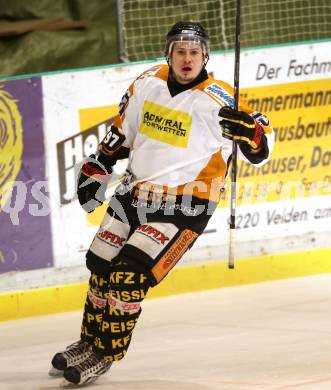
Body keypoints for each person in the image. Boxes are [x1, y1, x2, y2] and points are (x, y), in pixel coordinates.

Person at [49, 21, 275, 386]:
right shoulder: (147, 82)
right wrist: (102, 162)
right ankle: (89, 341)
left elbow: (262, 145)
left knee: (128, 278)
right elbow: (124, 130)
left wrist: (252, 136)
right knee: (100, 268)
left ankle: (104, 354)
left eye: (195, 52)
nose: (188, 59)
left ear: (206, 56)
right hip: (133, 194)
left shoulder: (220, 99)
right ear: (169, 53)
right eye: (181, 52)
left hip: (185, 204)